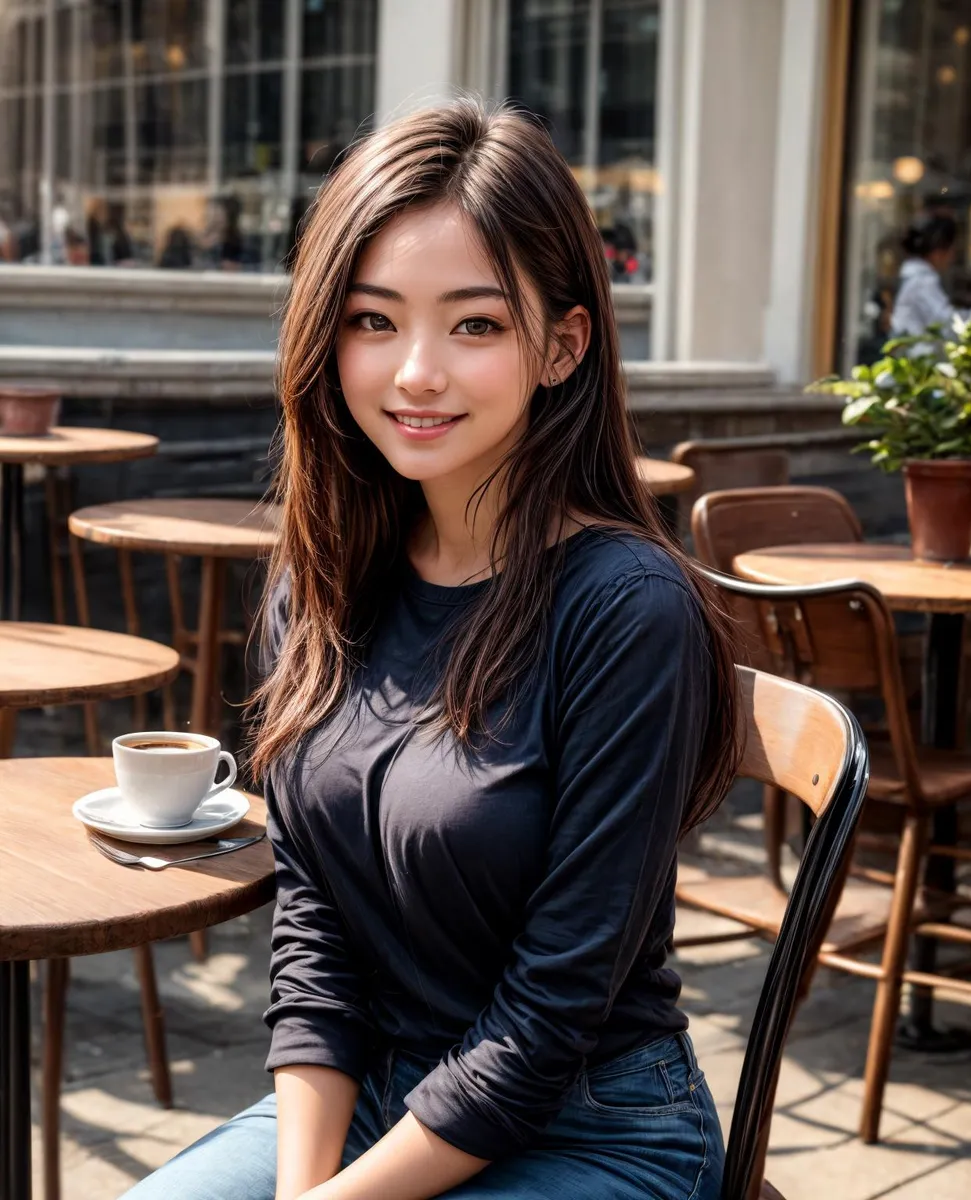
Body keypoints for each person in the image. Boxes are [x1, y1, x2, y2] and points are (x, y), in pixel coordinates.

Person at [121, 99, 740, 1200]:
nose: (415, 372)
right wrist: (303, 1190)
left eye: (474, 325)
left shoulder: (627, 610)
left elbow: (552, 1016)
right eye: (372, 320)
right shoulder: (322, 581)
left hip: (589, 1126)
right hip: (373, 1105)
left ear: (561, 344)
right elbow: (317, 933)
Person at [890, 212, 971, 338]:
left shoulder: (913, 277)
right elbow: (948, 325)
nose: (952, 256)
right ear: (937, 251)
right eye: (951, 249)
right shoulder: (921, 281)